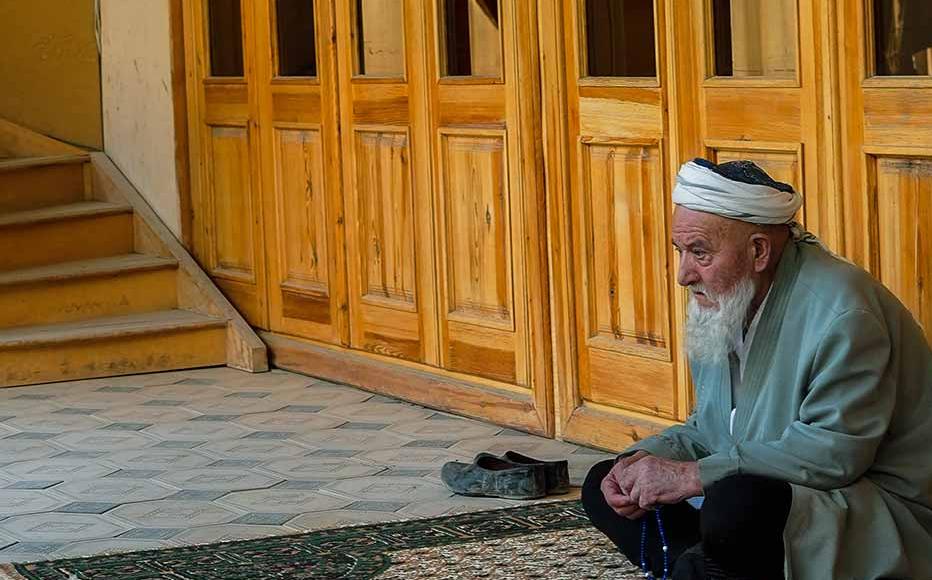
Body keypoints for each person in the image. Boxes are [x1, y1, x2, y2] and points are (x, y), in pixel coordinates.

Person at [581, 158, 932, 580]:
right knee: (606, 481)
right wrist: (645, 461)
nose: (683, 275)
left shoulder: (843, 312)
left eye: (700, 253)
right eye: (680, 252)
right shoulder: (726, 302)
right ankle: (695, 571)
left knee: (737, 503)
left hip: (875, 509)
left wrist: (694, 476)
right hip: (778, 491)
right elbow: (711, 428)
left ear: (759, 251)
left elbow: (834, 456)